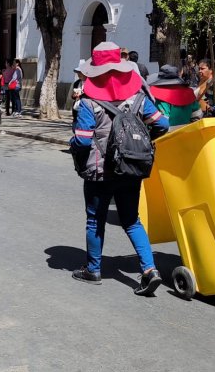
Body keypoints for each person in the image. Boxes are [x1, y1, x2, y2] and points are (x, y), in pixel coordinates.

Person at [69, 42, 169, 295]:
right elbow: (163, 124)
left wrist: (76, 148)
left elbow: (81, 140)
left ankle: (93, 269)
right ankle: (149, 270)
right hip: (130, 168)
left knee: (95, 220)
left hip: (99, 171)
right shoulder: (138, 98)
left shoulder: (88, 103)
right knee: (132, 220)